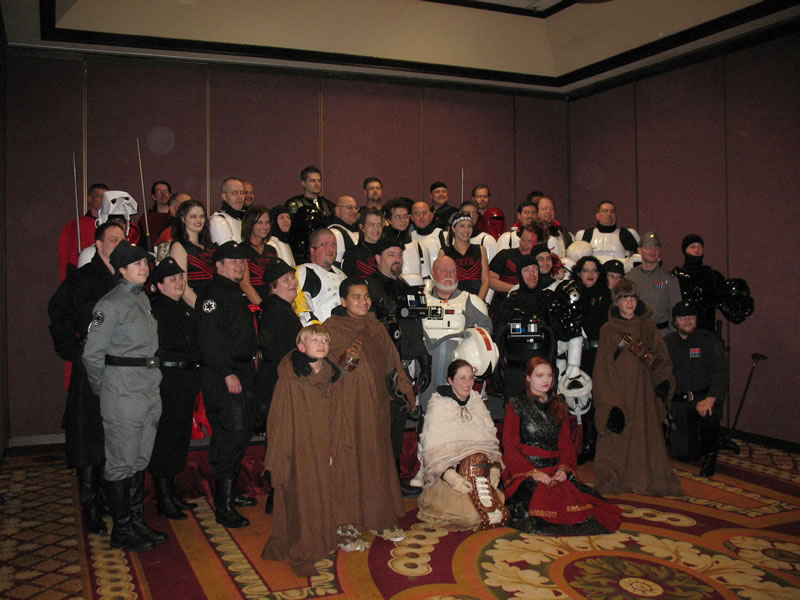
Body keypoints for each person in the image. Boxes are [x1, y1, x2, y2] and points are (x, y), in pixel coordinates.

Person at [82, 241, 164, 552]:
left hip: (148, 387)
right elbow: (92, 355)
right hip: (122, 390)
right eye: (137, 264)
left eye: (145, 262)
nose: (144, 268)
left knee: (140, 458)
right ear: (121, 270)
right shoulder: (110, 304)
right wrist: (103, 388)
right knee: (121, 461)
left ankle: (136, 521)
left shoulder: (142, 298)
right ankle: (122, 528)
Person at [48, 220, 126, 535]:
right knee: (89, 437)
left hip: (121, 368)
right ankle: (90, 505)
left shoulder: (126, 278)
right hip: (92, 366)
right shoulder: (82, 279)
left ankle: (110, 498)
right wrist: (73, 350)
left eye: (122, 240)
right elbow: (58, 313)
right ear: (98, 245)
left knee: (114, 436)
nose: (118, 244)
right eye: (112, 239)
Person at [324, 277, 414, 542]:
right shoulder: (331, 328)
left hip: (376, 406)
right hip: (346, 406)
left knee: (376, 458)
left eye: (366, 296)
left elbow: (392, 361)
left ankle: (378, 518)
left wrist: (403, 387)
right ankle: (346, 521)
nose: (363, 302)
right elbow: (336, 368)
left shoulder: (376, 327)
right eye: (356, 297)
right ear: (343, 301)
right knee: (347, 460)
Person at [502, 357, 622, 534]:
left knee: (571, 499)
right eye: (539, 376)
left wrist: (564, 469)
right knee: (539, 498)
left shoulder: (559, 404)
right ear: (528, 378)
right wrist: (533, 473)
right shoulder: (516, 405)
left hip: (554, 467)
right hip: (525, 469)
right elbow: (510, 446)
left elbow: (566, 445)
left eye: (549, 376)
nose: (545, 380)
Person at [260, 324, 343, 576]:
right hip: (296, 446)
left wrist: (331, 448)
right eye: (314, 340)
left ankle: (319, 540)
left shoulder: (330, 375)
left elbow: (334, 416)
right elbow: (279, 417)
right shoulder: (291, 377)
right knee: (301, 499)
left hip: (322, 445)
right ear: (301, 347)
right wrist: (284, 454)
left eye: (324, 340)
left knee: (320, 495)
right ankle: (302, 549)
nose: (321, 344)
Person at [593, 279, 684, 496]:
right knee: (618, 439)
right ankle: (618, 478)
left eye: (632, 297)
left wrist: (663, 381)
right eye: (624, 298)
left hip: (644, 394)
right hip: (619, 392)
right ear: (616, 302)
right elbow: (603, 368)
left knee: (645, 437)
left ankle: (642, 478)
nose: (629, 302)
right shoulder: (608, 330)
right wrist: (609, 404)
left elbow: (661, 358)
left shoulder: (648, 326)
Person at [195, 241, 259, 528]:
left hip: (242, 371)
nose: (238, 265)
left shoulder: (234, 292)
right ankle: (223, 506)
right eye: (232, 261)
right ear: (218, 265)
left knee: (241, 433)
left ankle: (230, 495)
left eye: (241, 261)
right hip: (225, 375)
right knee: (230, 435)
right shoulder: (212, 295)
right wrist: (227, 372)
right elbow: (210, 339)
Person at [366, 237, 432, 496]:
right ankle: (379, 484)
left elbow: (415, 327)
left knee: (396, 426)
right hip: (378, 370)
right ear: (378, 259)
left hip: (401, 368)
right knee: (379, 428)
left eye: (399, 254)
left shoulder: (405, 286)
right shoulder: (369, 287)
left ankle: (392, 481)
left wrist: (424, 360)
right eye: (391, 254)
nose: (397, 259)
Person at [416, 359, 506, 531]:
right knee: (471, 515)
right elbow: (432, 451)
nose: (468, 383)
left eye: (471, 378)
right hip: (447, 476)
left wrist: (494, 468)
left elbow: (490, 441)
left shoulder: (476, 402)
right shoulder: (439, 405)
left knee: (497, 507)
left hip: (478, 474)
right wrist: (452, 477)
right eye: (462, 378)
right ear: (450, 380)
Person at [148, 258, 202, 520]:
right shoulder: (156, 309)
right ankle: (163, 497)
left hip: (184, 379)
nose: (179, 283)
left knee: (178, 438)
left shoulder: (183, 308)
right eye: (172, 279)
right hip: (167, 380)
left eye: (181, 277)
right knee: (166, 440)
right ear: (159, 285)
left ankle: (171, 492)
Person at [257, 260, 303, 513]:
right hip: (279, 385)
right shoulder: (277, 310)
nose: (292, 283)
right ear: (272, 287)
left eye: (292, 278)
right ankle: (277, 495)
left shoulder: (282, 308)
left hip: (281, 383)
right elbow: (281, 352)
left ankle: (280, 493)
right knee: (281, 440)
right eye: (285, 280)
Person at [420, 256, 492, 412]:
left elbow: (485, 334)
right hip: (427, 368)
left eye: (453, 271)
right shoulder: (421, 301)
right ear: (433, 273)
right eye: (443, 271)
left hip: (459, 371)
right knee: (429, 411)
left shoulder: (471, 301)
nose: (449, 275)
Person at [665, 301, 728, 477]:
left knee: (709, 416)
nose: (687, 321)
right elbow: (661, 374)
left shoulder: (708, 340)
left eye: (691, 317)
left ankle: (710, 456)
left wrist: (711, 398)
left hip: (703, 399)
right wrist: (664, 407)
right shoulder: (668, 342)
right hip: (679, 403)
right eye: (682, 318)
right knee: (685, 455)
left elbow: (721, 372)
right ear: (674, 321)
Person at [627, 231, 682, 335]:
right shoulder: (630, 278)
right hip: (636, 334)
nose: (652, 251)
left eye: (656, 248)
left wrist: (673, 336)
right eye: (648, 247)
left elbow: (675, 311)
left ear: (660, 251)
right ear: (639, 250)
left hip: (662, 334)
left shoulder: (669, 279)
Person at [672, 234, 725, 332]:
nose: (697, 250)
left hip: (707, 330)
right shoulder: (675, 276)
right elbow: (658, 287)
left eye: (700, 247)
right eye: (692, 247)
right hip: (682, 331)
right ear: (685, 250)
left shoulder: (712, 276)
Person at [169, 199, 216, 308]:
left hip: (214, 301)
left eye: (201, 216)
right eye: (193, 216)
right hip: (193, 305)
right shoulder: (179, 246)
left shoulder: (210, 246)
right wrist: (203, 309)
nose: (198, 220)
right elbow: (182, 286)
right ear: (183, 219)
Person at [295, 228, 347, 325]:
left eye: (333, 244)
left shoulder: (343, 275)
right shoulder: (303, 272)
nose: (331, 249)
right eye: (325, 244)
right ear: (312, 249)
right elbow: (303, 313)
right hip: (319, 330)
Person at [58, 183, 108, 281]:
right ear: (90, 199)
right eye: (99, 196)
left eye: (106, 197)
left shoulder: (112, 226)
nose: (103, 200)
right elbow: (68, 254)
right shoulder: (77, 225)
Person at [440, 211, 489, 300]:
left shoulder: (480, 249)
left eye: (469, 226)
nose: (466, 230)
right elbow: (443, 282)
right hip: (454, 301)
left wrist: (478, 302)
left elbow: (485, 280)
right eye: (462, 226)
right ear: (453, 228)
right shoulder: (444, 253)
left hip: (477, 301)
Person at [238, 205, 280, 307]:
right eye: (259, 222)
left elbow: (278, 280)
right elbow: (245, 286)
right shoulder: (241, 250)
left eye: (267, 222)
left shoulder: (271, 250)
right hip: (250, 303)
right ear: (250, 224)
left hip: (272, 301)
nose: (264, 227)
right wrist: (263, 308)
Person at [488, 227, 535, 313]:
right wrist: (515, 289)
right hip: (502, 307)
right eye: (522, 239)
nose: (524, 244)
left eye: (529, 241)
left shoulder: (539, 260)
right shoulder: (505, 255)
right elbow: (489, 280)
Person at [574, 201, 640, 262]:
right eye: (605, 211)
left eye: (612, 211)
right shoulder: (584, 234)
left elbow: (640, 256)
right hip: (593, 270)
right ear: (598, 215)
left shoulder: (627, 234)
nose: (609, 214)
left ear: (616, 215)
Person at [383, 198, 431, 279]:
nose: (403, 220)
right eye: (398, 217)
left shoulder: (419, 246)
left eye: (405, 216)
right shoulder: (382, 246)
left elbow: (426, 277)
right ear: (389, 220)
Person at [342, 207, 382, 278]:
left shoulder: (387, 251)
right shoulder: (352, 254)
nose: (376, 229)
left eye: (379, 225)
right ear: (362, 227)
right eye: (371, 224)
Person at [208, 177, 246, 245]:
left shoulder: (243, 220)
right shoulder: (217, 220)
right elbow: (228, 250)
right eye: (234, 193)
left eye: (242, 192)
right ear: (224, 196)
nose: (240, 197)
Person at [137, 180, 173, 250]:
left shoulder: (176, 217)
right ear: (154, 196)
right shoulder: (147, 219)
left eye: (165, 191)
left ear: (170, 195)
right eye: (159, 192)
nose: (163, 194)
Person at [328, 195, 360, 268]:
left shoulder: (355, 229)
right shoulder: (334, 232)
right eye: (349, 208)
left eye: (356, 208)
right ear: (337, 210)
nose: (354, 211)